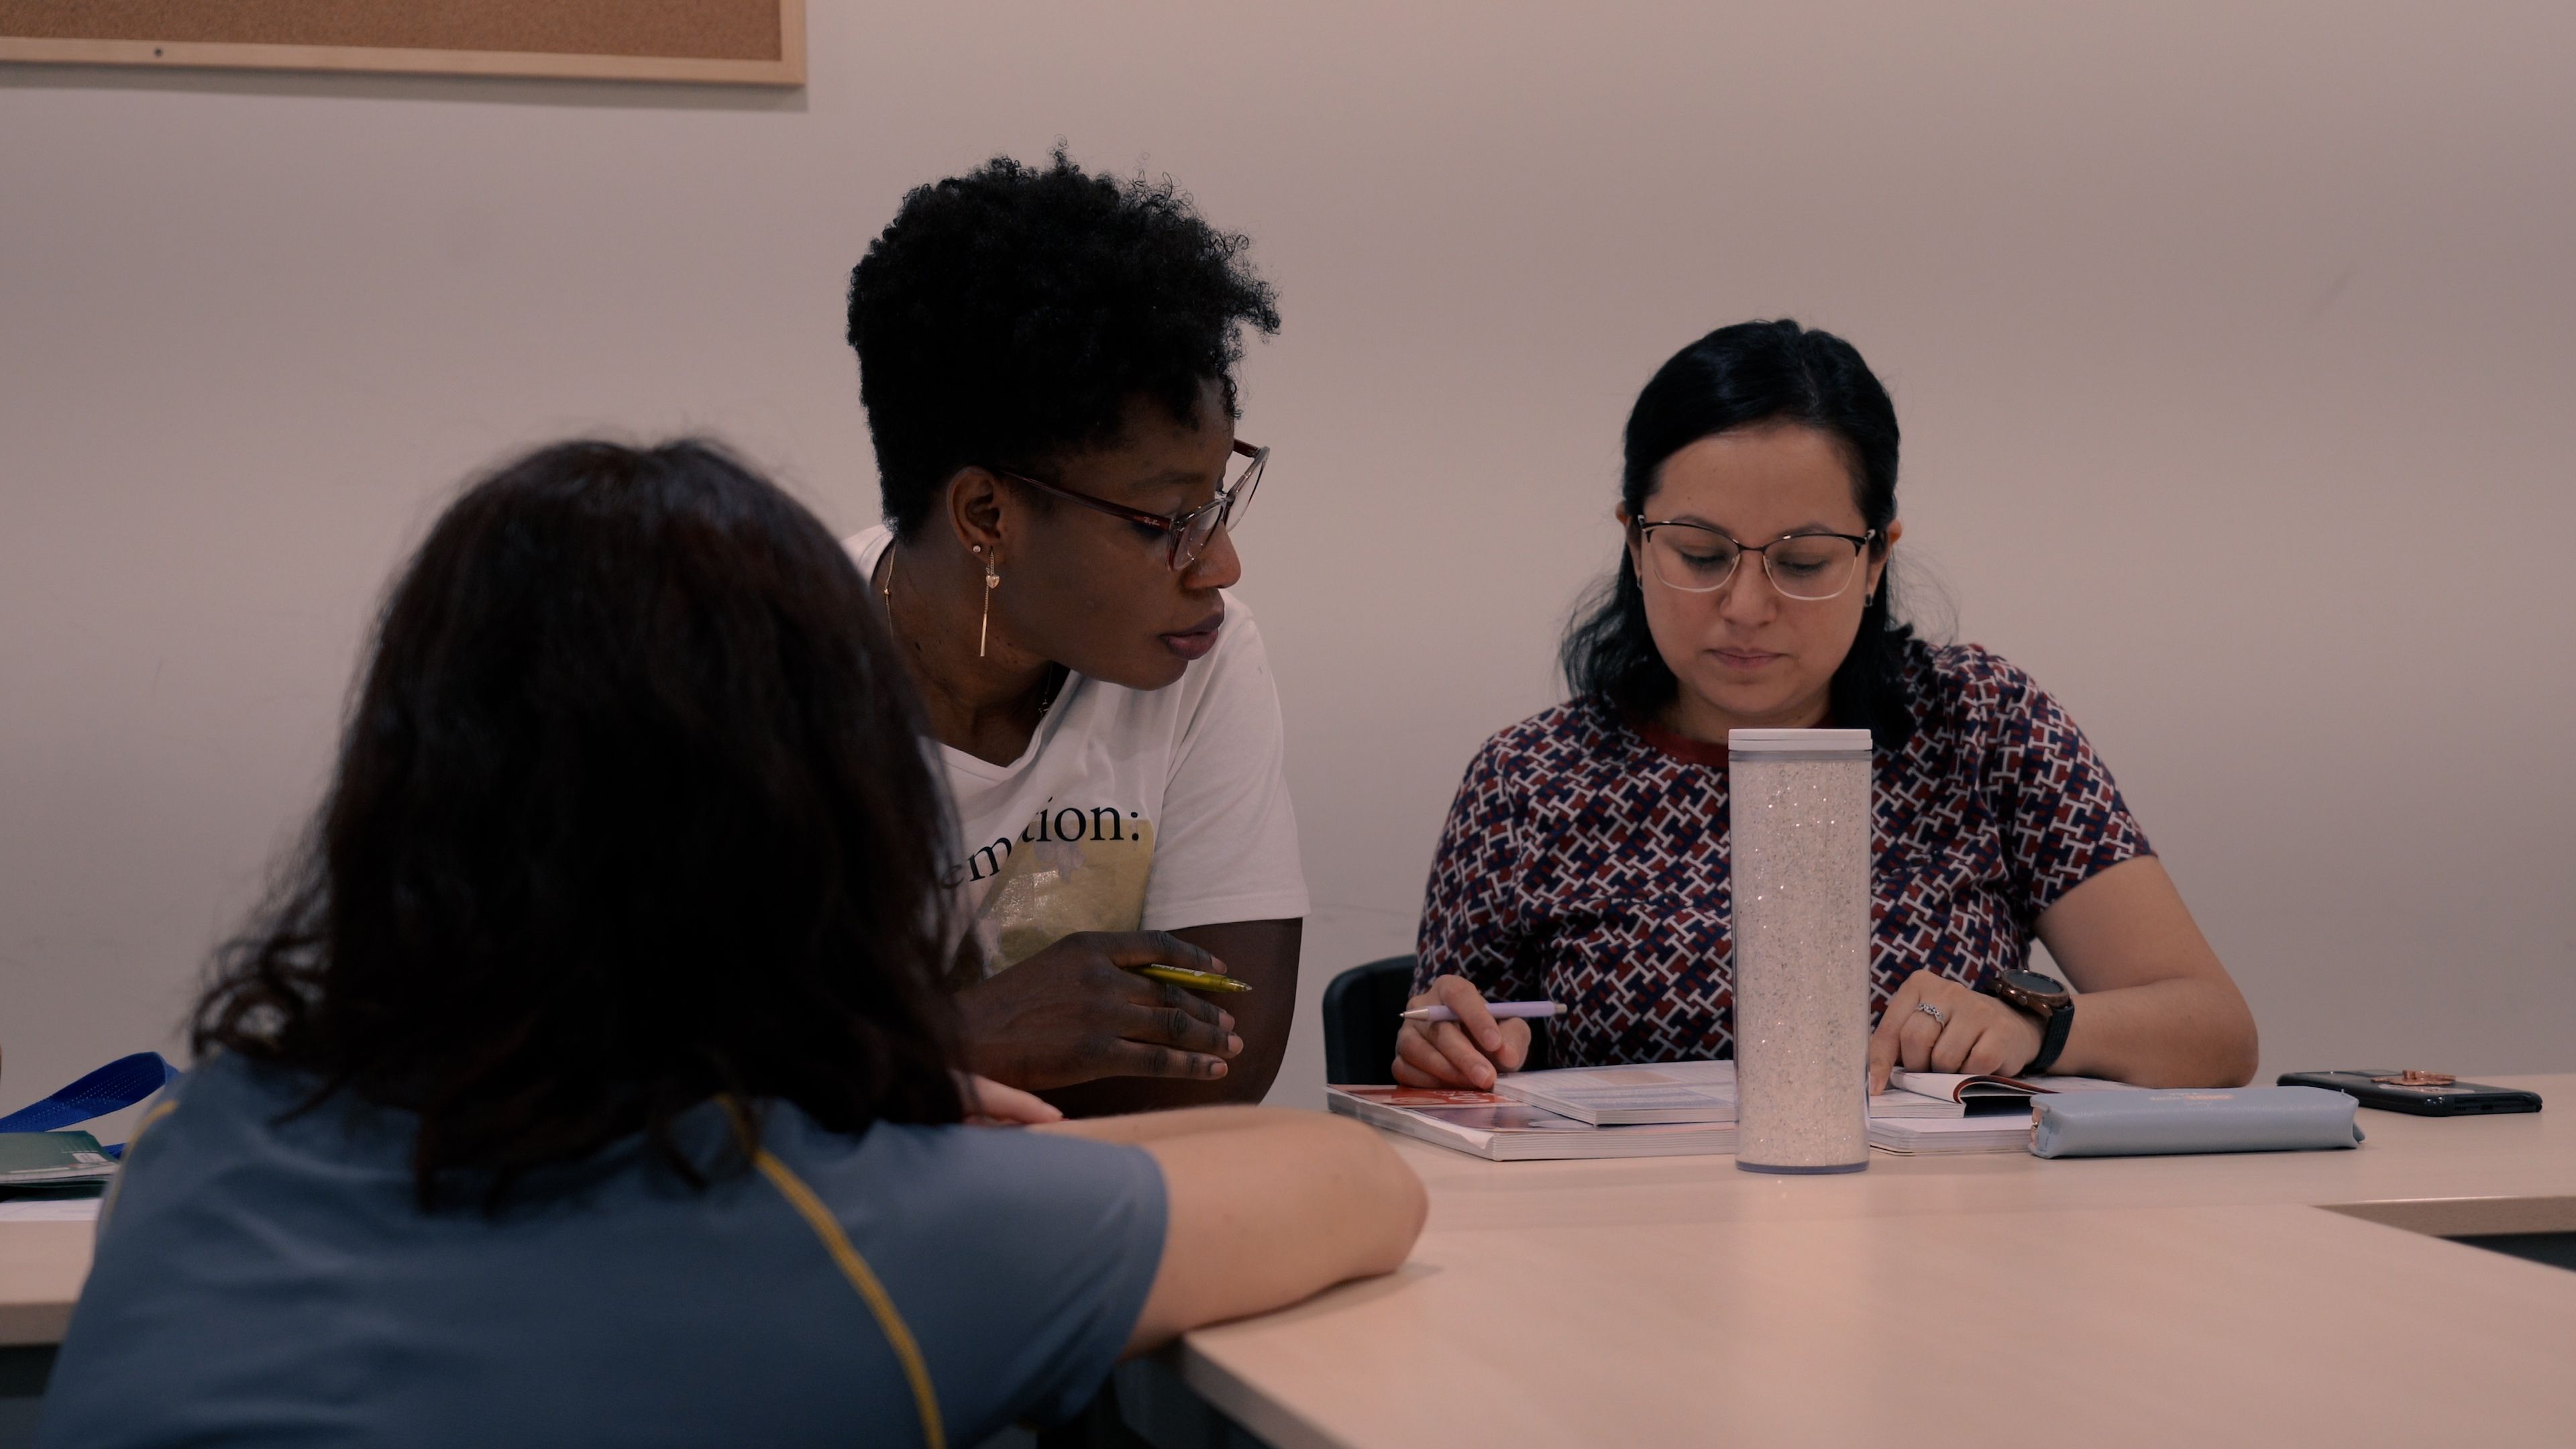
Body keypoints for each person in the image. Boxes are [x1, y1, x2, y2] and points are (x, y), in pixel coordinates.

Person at [37, 441, 1423, 1449]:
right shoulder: (847, 1237)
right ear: (824, 821)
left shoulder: (200, 1151)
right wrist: (886, 1099)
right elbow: (1356, 1183)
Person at [1398, 321, 2259, 1094]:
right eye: (1700, 555)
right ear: (1635, 542)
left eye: (1803, 563)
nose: (1746, 607)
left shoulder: (1979, 724)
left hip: (1943, 1209)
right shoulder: (1529, 782)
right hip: (1632, 1209)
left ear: (1876, 559)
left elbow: (2216, 1032)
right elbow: (1443, 1054)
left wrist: (2038, 1028)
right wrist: (1450, 1050)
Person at [843, 151, 1306, 1116]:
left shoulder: (1203, 654)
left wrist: (884, 1062)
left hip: (1091, 1183)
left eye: (1218, 503)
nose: (1220, 566)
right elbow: (681, 1075)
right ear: (986, 516)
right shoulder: (758, 666)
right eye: (1167, 521)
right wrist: (971, 1033)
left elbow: (1230, 1051)